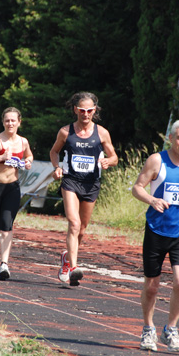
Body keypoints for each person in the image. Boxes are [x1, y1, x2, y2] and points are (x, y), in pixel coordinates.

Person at [131, 119, 179, 352]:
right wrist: (152, 200)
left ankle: (171, 329)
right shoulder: (157, 160)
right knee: (152, 286)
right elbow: (137, 187)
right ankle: (148, 329)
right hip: (157, 230)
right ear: (171, 139)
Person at [50, 92, 118, 286]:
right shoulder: (66, 132)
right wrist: (57, 168)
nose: (86, 114)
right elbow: (54, 152)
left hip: (91, 183)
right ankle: (73, 268)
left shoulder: (102, 133)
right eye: (82, 110)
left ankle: (66, 260)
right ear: (75, 110)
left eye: (89, 110)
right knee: (74, 223)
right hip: (71, 181)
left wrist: (108, 161)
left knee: (82, 229)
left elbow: (114, 157)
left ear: (94, 110)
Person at [0, 107, 33, 280]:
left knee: (7, 225)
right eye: (7, 120)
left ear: (19, 122)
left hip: (12, 188)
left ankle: (4, 265)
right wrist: (1, 157)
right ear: (3, 122)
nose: (10, 123)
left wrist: (28, 162)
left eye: (13, 120)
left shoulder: (23, 142)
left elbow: (29, 156)